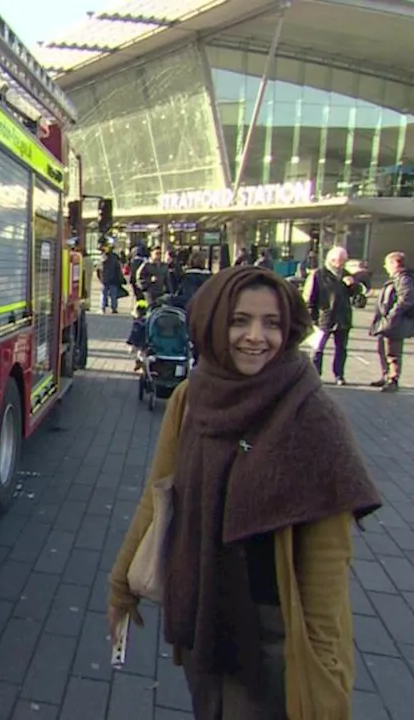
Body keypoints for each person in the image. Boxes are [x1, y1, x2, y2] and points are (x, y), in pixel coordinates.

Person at [107, 265, 382, 719]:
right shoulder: (192, 398)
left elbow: (327, 571)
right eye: (240, 320)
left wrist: (326, 680)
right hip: (204, 612)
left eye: (272, 323)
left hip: (272, 637)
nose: (257, 336)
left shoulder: (312, 416)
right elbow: (158, 499)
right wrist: (121, 587)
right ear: (214, 324)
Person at [302, 246, 359, 385]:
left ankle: (339, 374)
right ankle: (315, 374)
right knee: (318, 348)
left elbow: (357, 297)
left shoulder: (346, 274)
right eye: (339, 261)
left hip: (343, 317)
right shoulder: (318, 275)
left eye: (343, 261)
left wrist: (353, 285)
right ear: (331, 260)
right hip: (324, 317)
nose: (341, 264)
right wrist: (312, 318)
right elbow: (309, 298)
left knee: (341, 349)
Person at [368, 251, 414, 392]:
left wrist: (392, 315)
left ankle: (393, 379)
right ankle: (385, 375)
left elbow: (407, 299)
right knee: (382, 349)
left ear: (395, 263)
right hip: (388, 320)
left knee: (393, 351)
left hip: (395, 322)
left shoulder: (404, 279)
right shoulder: (397, 278)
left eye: (387, 263)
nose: (385, 267)